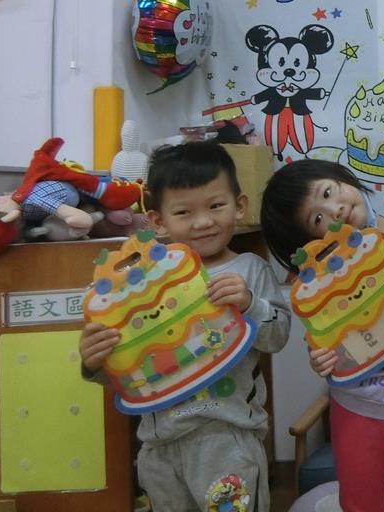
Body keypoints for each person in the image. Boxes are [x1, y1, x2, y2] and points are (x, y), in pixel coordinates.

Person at [79, 141, 291, 512]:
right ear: (158, 221)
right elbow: (128, 367)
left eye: (216, 206)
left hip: (227, 438)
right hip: (158, 445)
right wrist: (94, 362)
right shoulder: (138, 286)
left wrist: (250, 303)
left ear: (239, 205)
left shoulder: (248, 270)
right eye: (183, 212)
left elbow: (278, 336)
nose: (203, 221)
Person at [260, 158, 384, 512]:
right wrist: (320, 359)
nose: (335, 210)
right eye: (317, 219)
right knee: (360, 503)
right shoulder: (321, 277)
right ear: (311, 240)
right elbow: (326, 339)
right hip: (355, 406)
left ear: (341, 178)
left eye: (328, 192)